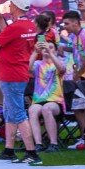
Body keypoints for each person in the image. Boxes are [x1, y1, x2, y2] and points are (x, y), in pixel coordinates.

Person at [0, 0, 42, 165]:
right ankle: (9, 150)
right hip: (19, 72)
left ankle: (32, 153)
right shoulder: (28, 26)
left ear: (15, 6)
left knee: (18, 113)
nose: (8, 5)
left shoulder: (16, 27)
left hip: (11, 75)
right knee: (10, 112)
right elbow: (9, 37)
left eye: (11, 4)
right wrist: (0, 20)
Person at [28, 16, 66, 152]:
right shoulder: (38, 64)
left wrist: (50, 52)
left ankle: (53, 144)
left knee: (47, 108)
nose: (47, 49)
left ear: (55, 51)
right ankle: (38, 144)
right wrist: (35, 51)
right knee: (32, 110)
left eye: (50, 48)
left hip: (55, 102)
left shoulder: (59, 63)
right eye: (45, 47)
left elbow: (61, 70)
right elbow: (28, 68)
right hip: (39, 100)